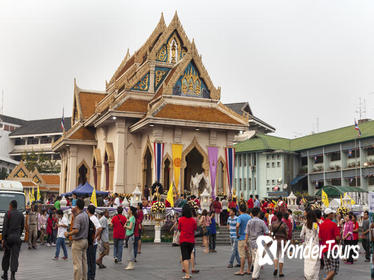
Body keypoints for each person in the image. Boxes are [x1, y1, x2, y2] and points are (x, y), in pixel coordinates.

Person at [64, 198, 89, 280]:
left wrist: (68, 234)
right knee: (84, 262)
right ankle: (84, 278)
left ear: (77, 206)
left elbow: (76, 230)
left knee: (77, 264)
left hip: (78, 241)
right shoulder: (85, 214)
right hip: (85, 240)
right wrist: (74, 214)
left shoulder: (78, 217)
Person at [1, 200, 24, 280]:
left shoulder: (8, 213)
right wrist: (19, 235)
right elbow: (22, 227)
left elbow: (5, 227)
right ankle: (13, 275)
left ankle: (5, 274)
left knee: (6, 256)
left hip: (9, 239)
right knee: (15, 257)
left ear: (11, 205)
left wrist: (3, 238)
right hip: (17, 238)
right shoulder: (21, 214)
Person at [244, 207, 269, 280]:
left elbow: (247, 233)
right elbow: (266, 232)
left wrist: (245, 243)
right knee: (257, 259)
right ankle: (254, 276)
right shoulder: (261, 222)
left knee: (255, 259)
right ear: (258, 213)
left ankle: (256, 274)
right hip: (260, 242)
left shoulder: (249, 222)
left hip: (252, 242)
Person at [319, 208, 340, 280]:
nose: (333, 215)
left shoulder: (321, 225)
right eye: (332, 213)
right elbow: (337, 238)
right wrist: (338, 242)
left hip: (324, 249)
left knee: (329, 269)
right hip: (332, 248)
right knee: (334, 269)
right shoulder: (333, 224)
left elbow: (320, 238)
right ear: (329, 215)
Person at [178, 204, 197, 279]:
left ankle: (187, 274)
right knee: (188, 257)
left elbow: (179, 229)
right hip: (191, 241)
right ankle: (188, 272)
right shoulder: (193, 220)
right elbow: (195, 229)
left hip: (183, 240)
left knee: (185, 258)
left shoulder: (181, 219)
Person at [300, 210, 320, 280]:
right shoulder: (315, 224)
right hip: (315, 245)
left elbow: (301, 235)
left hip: (307, 245)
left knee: (307, 262)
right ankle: (315, 277)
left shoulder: (305, 224)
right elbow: (319, 234)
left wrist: (305, 239)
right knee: (315, 263)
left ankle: (307, 276)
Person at [270, 211, 289, 278]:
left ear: (276, 216)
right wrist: (286, 239)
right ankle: (280, 272)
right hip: (282, 241)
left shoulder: (273, 224)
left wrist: (272, 238)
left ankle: (275, 268)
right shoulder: (284, 224)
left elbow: (271, 232)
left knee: (275, 256)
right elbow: (287, 233)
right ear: (282, 217)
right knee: (281, 256)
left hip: (275, 240)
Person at [235, 203, 251, 276]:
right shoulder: (249, 217)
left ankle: (241, 270)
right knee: (249, 255)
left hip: (241, 237)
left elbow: (237, 226)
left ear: (239, 209)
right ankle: (248, 269)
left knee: (242, 255)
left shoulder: (240, 217)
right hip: (248, 237)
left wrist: (237, 233)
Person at [86, 205, 102, 280]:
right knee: (89, 260)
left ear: (88, 211)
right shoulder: (92, 218)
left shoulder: (93, 218)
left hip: (92, 243)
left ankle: (91, 276)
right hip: (90, 242)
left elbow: (99, 228)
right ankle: (90, 275)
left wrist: (94, 237)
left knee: (91, 261)